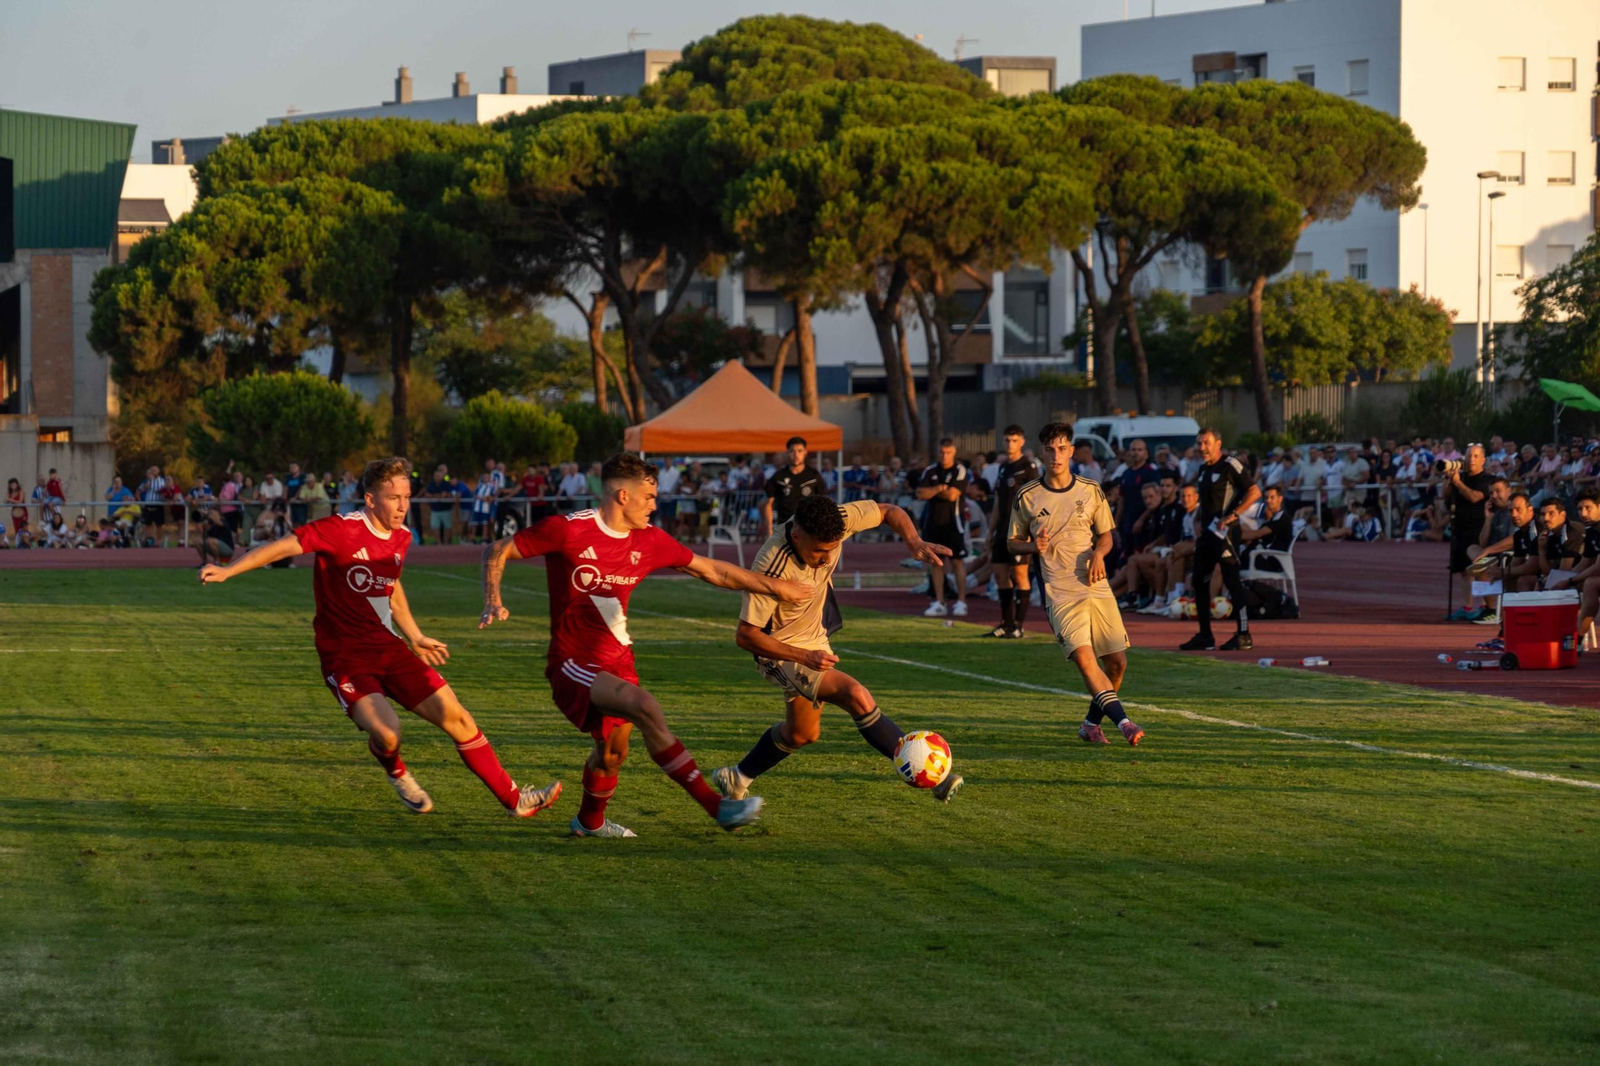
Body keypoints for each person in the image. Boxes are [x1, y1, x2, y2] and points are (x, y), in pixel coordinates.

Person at [201, 457, 560, 819]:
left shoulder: (402, 537)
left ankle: (515, 800)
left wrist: (415, 635)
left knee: (458, 717)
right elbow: (284, 545)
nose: (403, 506)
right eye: (393, 498)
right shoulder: (340, 529)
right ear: (371, 499)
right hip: (345, 658)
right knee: (389, 735)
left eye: (406, 497)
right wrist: (231, 570)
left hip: (389, 648)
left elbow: (391, 587)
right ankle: (397, 771)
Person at [479, 452, 812, 837]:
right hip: (573, 661)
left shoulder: (650, 540)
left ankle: (589, 823)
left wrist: (779, 587)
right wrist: (493, 598)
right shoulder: (568, 530)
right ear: (622, 496)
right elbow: (497, 549)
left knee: (612, 754)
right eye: (649, 496)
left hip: (619, 661)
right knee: (645, 706)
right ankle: (718, 807)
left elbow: (712, 569)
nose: (656, 504)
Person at [710, 490, 963, 803]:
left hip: (814, 636)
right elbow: (746, 636)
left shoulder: (838, 520)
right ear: (798, 535)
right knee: (854, 694)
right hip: (781, 648)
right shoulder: (772, 565)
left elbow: (887, 510)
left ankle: (738, 778)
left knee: (803, 733)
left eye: (832, 549)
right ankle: (931, 775)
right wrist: (805, 655)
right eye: (819, 551)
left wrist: (913, 540)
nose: (827, 559)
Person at [1006, 422, 1144, 747]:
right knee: (1085, 659)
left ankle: (1090, 725)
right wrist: (1031, 547)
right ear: (1041, 453)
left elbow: (1107, 536)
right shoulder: (1027, 495)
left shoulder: (1090, 488)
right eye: (1050, 449)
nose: (1056, 455)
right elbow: (1012, 542)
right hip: (1060, 591)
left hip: (1095, 584)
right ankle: (1123, 721)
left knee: (1117, 663)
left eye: (1062, 448)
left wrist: (1099, 552)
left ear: (1070, 450)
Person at [1180, 428, 1261, 652]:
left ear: (1218, 443)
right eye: (1199, 443)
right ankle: (1206, 635)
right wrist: (1197, 519)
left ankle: (1244, 634)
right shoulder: (1204, 469)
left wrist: (1233, 515)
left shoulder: (1230, 464)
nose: (1202, 447)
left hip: (1226, 533)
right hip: (1207, 534)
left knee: (1231, 580)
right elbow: (1207, 502)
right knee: (1198, 580)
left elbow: (1254, 491)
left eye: (1206, 443)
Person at [987, 425, 1042, 638]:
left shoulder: (1028, 467)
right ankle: (1006, 622)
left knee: (1020, 574)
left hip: (1019, 530)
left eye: (1014, 440)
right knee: (1000, 574)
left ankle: (1019, 624)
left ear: (1022, 442)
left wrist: (1030, 531)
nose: (1010, 444)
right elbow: (999, 501)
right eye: (1007, 440)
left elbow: (1035, 502)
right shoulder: (1003, 468)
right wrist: (990, 531)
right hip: (1002, 530)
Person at [916, 438, 971, 618]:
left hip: (953, 523)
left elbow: (953, 495)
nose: (944, 455)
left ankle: (961, 601)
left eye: (948, 452)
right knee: (936, 563)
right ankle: (939, 601)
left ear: (954, 452)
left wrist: (935, 490)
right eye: (942, 452)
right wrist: (940, 488)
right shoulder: (930, 470)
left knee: (956, 562)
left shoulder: (959, 470)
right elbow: (920, 493)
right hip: (933, 523)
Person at [1444, 444, 1495, 621]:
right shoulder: (1461, 476)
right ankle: (1467, 606)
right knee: (1464, 571)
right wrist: (1450, 480)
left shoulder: (1487, 479)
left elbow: (1475, 497)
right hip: (1459, 527)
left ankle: (1486, 606)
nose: (1471, 460)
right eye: (1469, 456)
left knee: (1478, 568)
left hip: (1478, 529)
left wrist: (1458, 483)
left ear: (1482, 459)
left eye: (1475, 456)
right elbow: (1445, 495)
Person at [763, 436, 827, 536]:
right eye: (792, 451)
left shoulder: (814, 476)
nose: (796, 454)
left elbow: (823, 503)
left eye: (799, 451)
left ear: (805, 452)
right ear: (787, 452)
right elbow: (768, 504)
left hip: (809, 528)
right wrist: (769, 529)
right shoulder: (778, 477)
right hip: (784, 528)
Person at [424, 465, 455, 545]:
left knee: (448, 527)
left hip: (446, 510)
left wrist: (439, 495)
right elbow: (427, 494)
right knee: (434, 526)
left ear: (442, 476)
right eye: (436, 476)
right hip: (435, 510)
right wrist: (438, 496)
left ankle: (447, 542)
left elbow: (446, 494)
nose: (437, 477)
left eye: (439, 476)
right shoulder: (431, 484)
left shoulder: (446, 484)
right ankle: (439, 543)